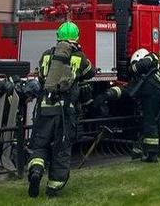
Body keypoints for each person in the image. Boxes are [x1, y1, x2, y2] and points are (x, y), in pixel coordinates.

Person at [26, 21, 94, 198]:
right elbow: (89, 73)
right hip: (65, 112)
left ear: (58, 37)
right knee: (61, 149)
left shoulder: (47, 55)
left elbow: (41, 77)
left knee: (40, 145)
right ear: (76, 38)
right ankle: (53, 188)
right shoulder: (79, 56)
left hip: (44, 108)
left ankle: (36, 171)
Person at [127, 48, 160, 162]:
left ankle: (151, 155)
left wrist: (132, 68)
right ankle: (148, 150)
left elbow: (135, 69)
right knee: (153, 121)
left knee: (150, 122)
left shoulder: (151, 57)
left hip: (152, 92)